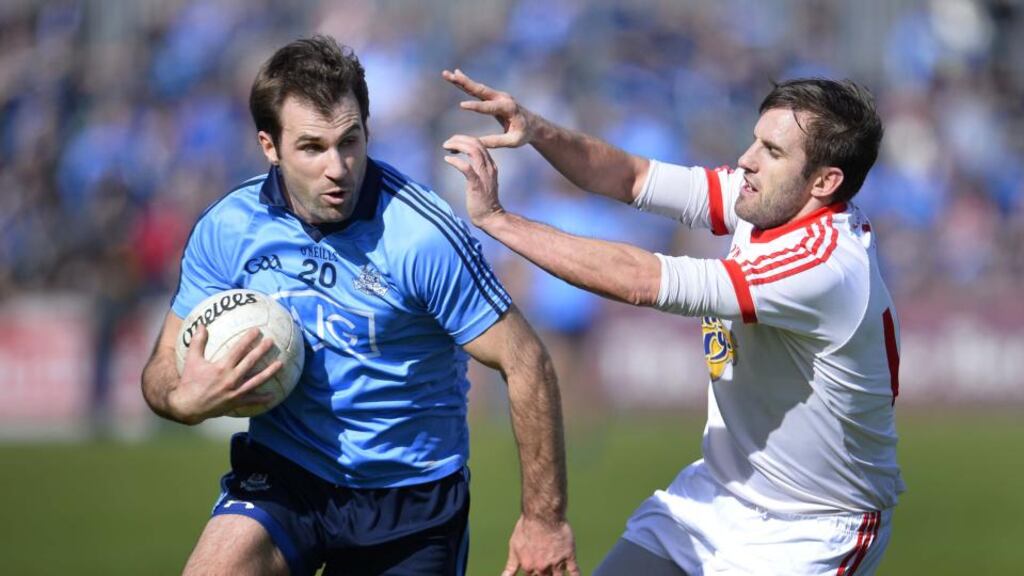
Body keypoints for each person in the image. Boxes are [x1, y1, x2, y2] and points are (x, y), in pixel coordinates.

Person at [140, 36, 578, 576]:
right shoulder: (229, 227)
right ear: (269, 146)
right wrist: (182, 400)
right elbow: (162, 366)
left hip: (409, 501)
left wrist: (543, 520)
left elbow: (526, 361)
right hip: (285, 476)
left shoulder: (421, 236)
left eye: (349, 142)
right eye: (312, 147)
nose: (338, 167)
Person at [442, 69, 902, 575]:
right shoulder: (765, 201)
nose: (746, 160)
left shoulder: (823, 264)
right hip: (715, 494)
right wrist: (537, 131)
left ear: (825, 182)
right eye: (755, 140)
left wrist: (499, 220)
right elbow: (632, 177)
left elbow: (642, 280)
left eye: (772, 151)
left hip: (809, 527)